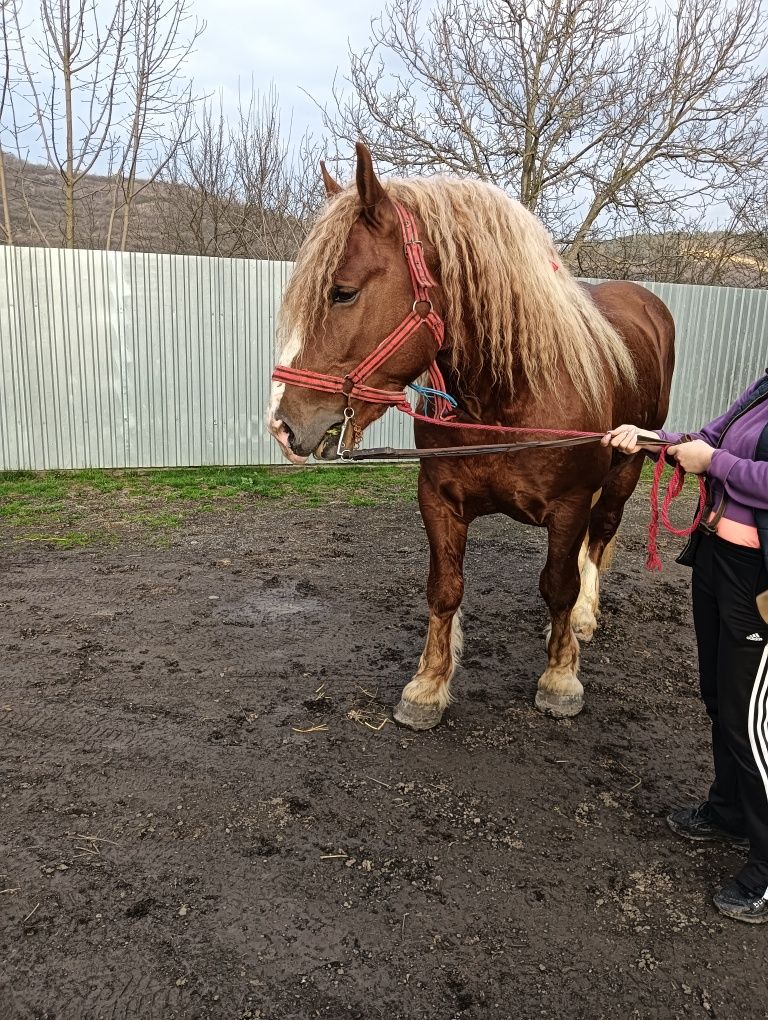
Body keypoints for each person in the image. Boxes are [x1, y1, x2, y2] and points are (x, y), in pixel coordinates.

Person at [602, 370, 768, 924]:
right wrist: (651, 440)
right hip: (719, 560)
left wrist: (713, 464)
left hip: (760, 580)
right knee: (718, 698)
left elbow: (717, 459)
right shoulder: (765, 385)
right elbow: (707, 438)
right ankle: (728, 811)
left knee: (752, 724)